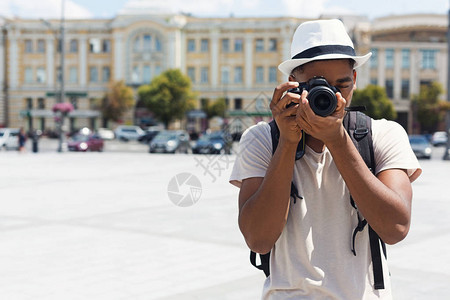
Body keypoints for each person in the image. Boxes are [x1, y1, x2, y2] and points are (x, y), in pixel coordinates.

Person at [229, 19, 421, 299]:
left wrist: (338, 141)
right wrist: (287, 143)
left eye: (341, 85)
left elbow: (396, 228)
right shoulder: (262, 140)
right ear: (293, 83)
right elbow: (258, 239)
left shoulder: (384, 134)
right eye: (319, 86)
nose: (331, 96)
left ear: (354, 80)